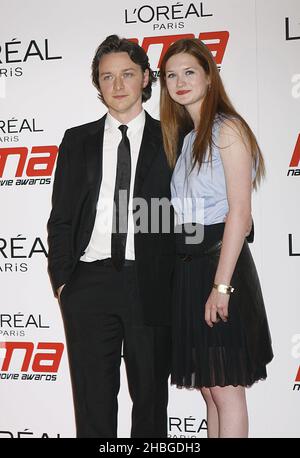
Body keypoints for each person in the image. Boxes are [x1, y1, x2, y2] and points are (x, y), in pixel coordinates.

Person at [47, 35, 174, 438]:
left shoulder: (173, 137)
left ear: (145, 79)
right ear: (98, 85)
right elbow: (61, 218)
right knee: (93, 403)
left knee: (151, 401)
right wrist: (65, 282)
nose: (117, 86)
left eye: (127, 75)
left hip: (150, 283)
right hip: (89, 282)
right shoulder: (76, 140)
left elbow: (185, 215)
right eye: (107, 77)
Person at [159, 38, 273, 438]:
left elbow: (240, 214)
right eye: (171, 75)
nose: (179, 81)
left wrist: (221, 285)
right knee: (210, 391)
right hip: (190, 272)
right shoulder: (188, 139)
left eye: (189, 72)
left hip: (220, 268)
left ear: (209, 76)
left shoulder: (228, 128)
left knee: (226, 391)